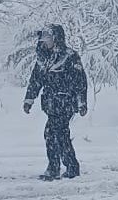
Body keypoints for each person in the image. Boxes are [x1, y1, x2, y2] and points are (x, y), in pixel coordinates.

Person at [23, 24, 89, 180]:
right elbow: (35, 80)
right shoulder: (43, 58)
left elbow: (80, 81)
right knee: (57, 135)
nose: (45, 41)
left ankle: (57, 168)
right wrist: (29, 100)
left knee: (54, 134)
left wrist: (82, 102)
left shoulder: (70, 56)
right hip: (50, 104)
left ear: (56, 38)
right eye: (44, 38)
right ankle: (69, 166)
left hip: (65, 102)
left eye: (48, 37)